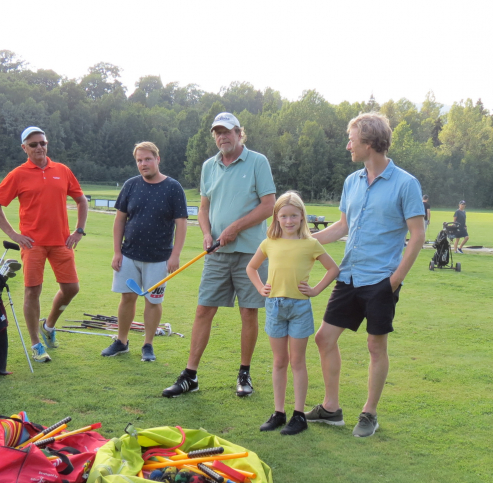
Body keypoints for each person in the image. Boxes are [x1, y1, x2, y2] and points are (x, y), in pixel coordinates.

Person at [307, 112, 425, 438]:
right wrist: (303, 240)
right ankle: (331, 409)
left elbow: (417, 236)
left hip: (381, 280)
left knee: (376, 347)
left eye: (352, 140)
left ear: (369, 142)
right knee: (324, 338)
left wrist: (395, 280)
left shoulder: (405, 183)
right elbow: (343, 226)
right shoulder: (352, 182)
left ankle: (369, 413)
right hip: (349, 275)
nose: (348, 146)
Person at [162, 112, 276, 398]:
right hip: (217, 252)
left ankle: (244, 374)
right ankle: (190, 376)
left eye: (227, 131)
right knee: (203, 309)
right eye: (217, 132)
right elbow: (203, 208)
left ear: (239, 133)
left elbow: (268, 206)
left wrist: (236, 227)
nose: (222, 137)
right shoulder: (208, 166)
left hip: (251, 253)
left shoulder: (257, 162)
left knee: (248, 312)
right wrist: (205, 233)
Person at [0, 126, 88, 364]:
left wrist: (79, 230)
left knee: (72, 288)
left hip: (62, 242)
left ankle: (49, 326)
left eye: (43, 143)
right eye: (33, 145)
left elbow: (81, 200)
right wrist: (13, 234)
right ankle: (36, 343)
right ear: (24, 148)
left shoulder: (61, 170)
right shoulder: (18, 174)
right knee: (33, 291)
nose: (39, 147)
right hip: (33, 245)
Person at [246, 191, 339, 435]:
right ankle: (279, 413)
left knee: (297, 362)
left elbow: (333, 269)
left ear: (302, 217)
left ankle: (299, 415)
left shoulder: (311, 244)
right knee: (279, 361)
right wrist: (260, 287)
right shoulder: (269, 242)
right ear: (276, 218)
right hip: (275, 307)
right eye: (284, 216)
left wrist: (316, 290)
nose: (288, 221)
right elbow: (251, 267)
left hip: (299, 308)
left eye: (293, 216)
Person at [101, 142, 189, 362]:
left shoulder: (173, 187)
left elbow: (182, 223)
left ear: (157, 159)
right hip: (129, 255)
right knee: (127, 298)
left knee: (153, 302)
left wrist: (175, 255)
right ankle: (121, 342)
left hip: (159, 259)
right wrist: (116, 251)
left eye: (147, 159)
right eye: (139, 160)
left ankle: (148, 344)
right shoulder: (131, 185)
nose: (143, 164)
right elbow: (119, 219)